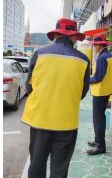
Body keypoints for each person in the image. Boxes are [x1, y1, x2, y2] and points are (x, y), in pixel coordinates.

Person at [21, 18, 90, 178]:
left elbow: (29, 87)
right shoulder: (83, 60)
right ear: (73, 37)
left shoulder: (39, 54)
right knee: (59, 171)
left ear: (57, 35)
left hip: (40, 121)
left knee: (37, 166)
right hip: (67, 123)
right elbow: (82, 92)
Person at [86, 35, 112, 155]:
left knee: (98, 119)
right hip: (106, 91)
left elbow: (98, 77)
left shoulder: (101, 58)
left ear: (99, 45)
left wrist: (87, 79)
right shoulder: (109, 56)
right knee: (100, 118)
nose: (94, 47)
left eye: (94, 45)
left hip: (100, 91)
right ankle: (98, 140)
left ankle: (100, 146)